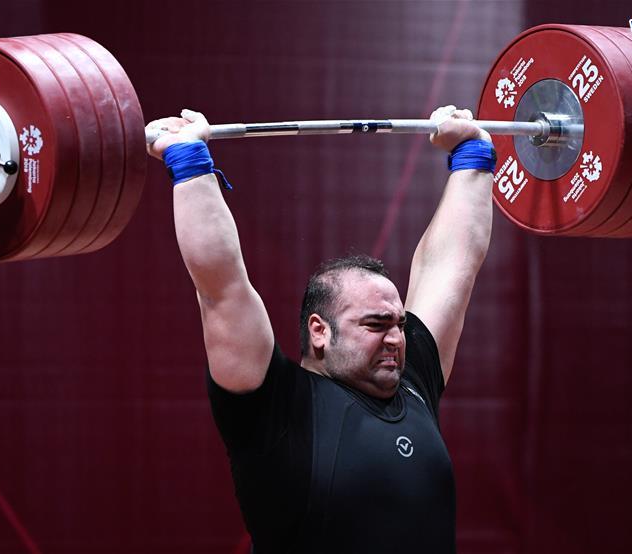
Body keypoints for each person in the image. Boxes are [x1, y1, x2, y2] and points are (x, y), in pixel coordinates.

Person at [145, 106, 496, 553]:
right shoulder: (276, 410)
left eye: (399, 325)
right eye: (375, 324)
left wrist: (473, 154)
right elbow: (221, 285)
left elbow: (453, 266)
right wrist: (189, 161)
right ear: (319, 331)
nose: (395, 339)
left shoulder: (413, 383)